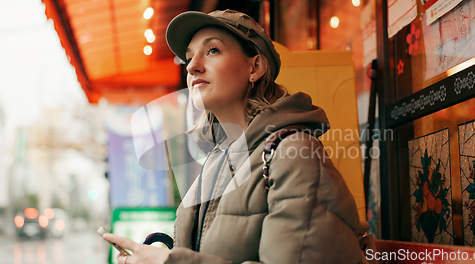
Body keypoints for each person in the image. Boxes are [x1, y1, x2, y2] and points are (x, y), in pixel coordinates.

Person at [103, 9, 365, 264]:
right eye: (189, 57)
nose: (193, 66)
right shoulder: (218, 160)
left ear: (255, 67)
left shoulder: (295, 154)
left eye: (212, 50)